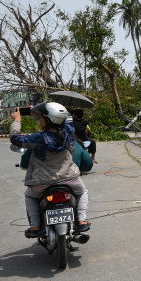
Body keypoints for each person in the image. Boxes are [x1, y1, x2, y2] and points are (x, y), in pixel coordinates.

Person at [10, 102, 90, 238]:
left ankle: (35, 226)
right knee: (82, 191)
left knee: (29, 196)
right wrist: (40, 112)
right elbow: (64, 119)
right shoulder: (69, 134)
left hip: (41, 184)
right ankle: (81, 220)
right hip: (70, 180)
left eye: (40, 117)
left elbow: (15, 139)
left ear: (47, 119)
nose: (39, 120)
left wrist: (17, 121)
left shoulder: (37, 138)